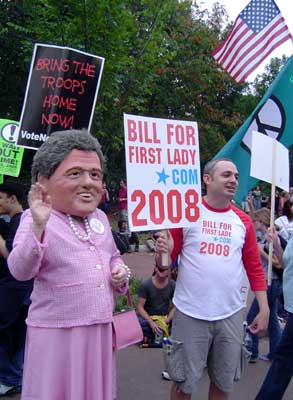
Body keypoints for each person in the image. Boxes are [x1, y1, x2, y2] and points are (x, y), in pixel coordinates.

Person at [7, 130, 130, 400]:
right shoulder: (35, 217)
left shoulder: (98, 218)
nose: (88, 183)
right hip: (57, 333)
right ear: (43, 181)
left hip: (98, 329)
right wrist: (38, 226)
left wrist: (119, 273)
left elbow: (112, 257)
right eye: (75, 174)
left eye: (95, 175)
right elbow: (19, 269)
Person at [155, 158, 269, 400]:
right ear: (207, 179)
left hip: (230, 314)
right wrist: (164, 251)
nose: (233, 180)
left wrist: (264, 307)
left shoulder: (243, 221)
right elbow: (164, 267)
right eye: (226, 175)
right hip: (190, 313)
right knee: (182, 385)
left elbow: (255, 267)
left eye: (236, 176)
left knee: (222, 384)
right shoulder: (186, 214)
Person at [0, 182, 33, 396]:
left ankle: (11, 378)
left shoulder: (24, 222)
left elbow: (13, 257)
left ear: (13, 199)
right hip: (12, 288)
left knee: (10, 333)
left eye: (1, 198)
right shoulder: (11, 222)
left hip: (17, 290)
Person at [255, 226, 293, 399]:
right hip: (290, 304)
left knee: (283, 358)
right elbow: (285, 263)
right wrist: (276, 244)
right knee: (283, 359)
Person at [246, 208, 283, 363]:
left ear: (261, 221)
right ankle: (275, 352)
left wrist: (261, 252)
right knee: (272, 320)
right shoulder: (264, 236)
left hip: (270, 282)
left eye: (256, 221)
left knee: (252, 317)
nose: (254, 223)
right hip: (271, 282)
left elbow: (278, 263)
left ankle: (252, 351)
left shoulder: (271, 237)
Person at [137, 263, 175, 345]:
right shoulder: (146, 284)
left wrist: (167, 320)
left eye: (165, 270)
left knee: (180, 321)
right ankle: (154, 334)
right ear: (155, 269)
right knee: (138, 323)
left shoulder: (172, 285)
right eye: (160, 269)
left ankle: (150, 336)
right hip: (148, 318)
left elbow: (175, 306)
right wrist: (151, 322)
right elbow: (140, 308)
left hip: (164, 318)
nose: (163, 272)